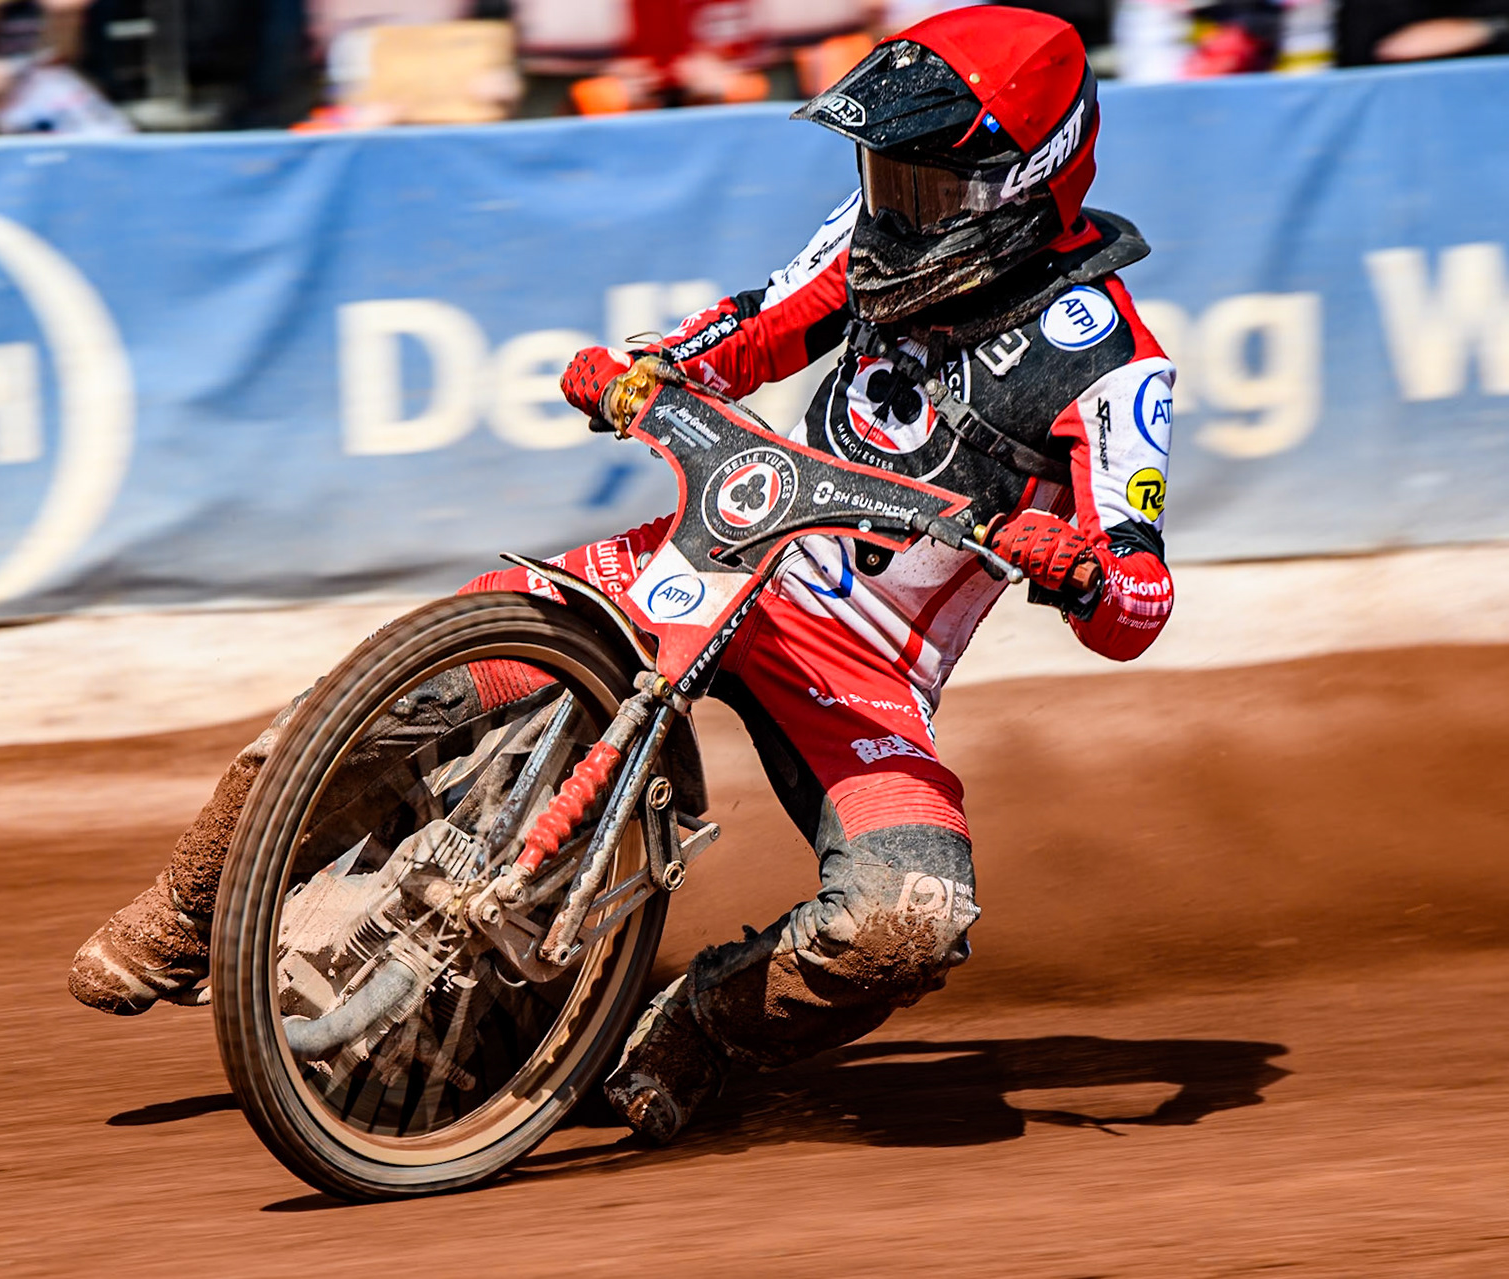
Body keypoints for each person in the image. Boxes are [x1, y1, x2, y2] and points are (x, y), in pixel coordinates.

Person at [69, 5, 1176, 1146]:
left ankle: (693, 1026)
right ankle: (194, 905)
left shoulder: (1116, 363)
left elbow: (1142, 601)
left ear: (1021, 181)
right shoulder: (874, 238)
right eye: (885, 175)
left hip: (863, 670)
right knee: (415, 686)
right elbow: (749, 329)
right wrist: (649, 371)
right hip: (714, 555)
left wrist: (1085, 572)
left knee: (908, 917)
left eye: (928, 188)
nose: (897, 208)